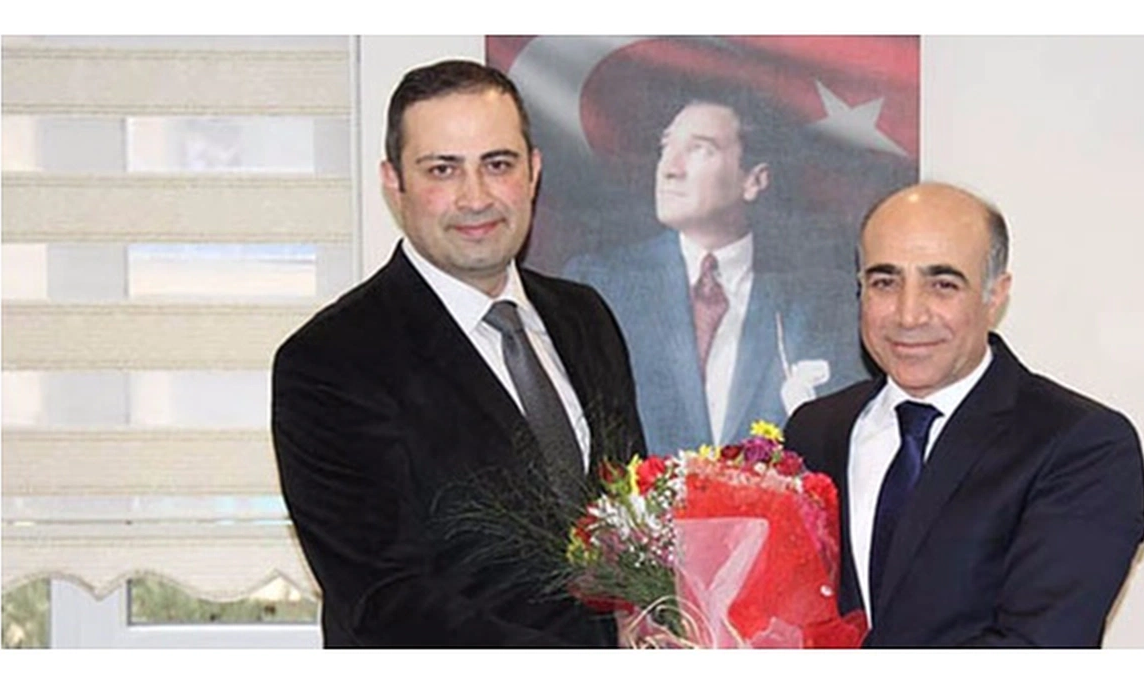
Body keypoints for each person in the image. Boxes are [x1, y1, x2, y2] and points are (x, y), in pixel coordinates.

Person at [271, 60, 645, 647]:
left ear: (534, 172)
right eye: (442, 170)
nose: (476, 198)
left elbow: (629, 520)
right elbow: (385, 603)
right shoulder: (329, 363)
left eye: (498, 165)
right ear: (394, 182)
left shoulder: (585, 317)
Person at [785, 182, 1144, 647]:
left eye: (943, 285)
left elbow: (1039, 648)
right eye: (885, 282)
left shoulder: (1080, 444)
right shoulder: (815, 430)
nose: (908, 315)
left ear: (996, 295)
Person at [564, 92, 866, 455]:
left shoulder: (814, 302)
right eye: (666, 147)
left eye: (699, 149)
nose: (670, 168)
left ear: (754, 180)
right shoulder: (601, 285)